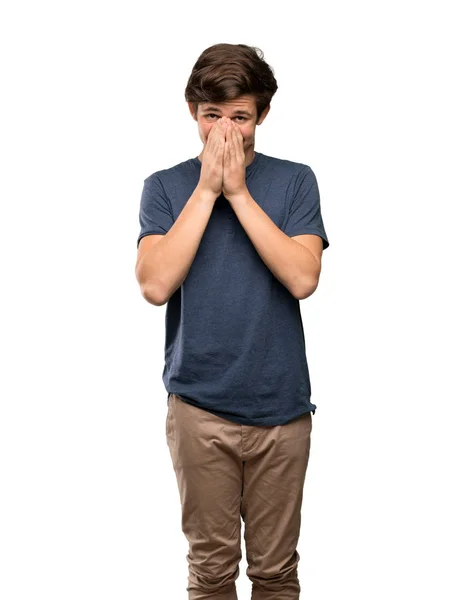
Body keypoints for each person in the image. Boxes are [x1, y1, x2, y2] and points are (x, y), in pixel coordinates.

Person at [135, 43, 330, 600]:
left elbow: (302, 278)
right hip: (199, 407)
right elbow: (154, 284)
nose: (225, 130)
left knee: (275, 572)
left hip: (281, 408)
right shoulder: (166, 187)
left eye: (239, 117)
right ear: (191, 111)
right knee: (212, 571)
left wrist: (238, 192)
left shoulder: (294, 182)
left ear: (262, 115)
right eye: (211, 116)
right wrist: (206, 189)